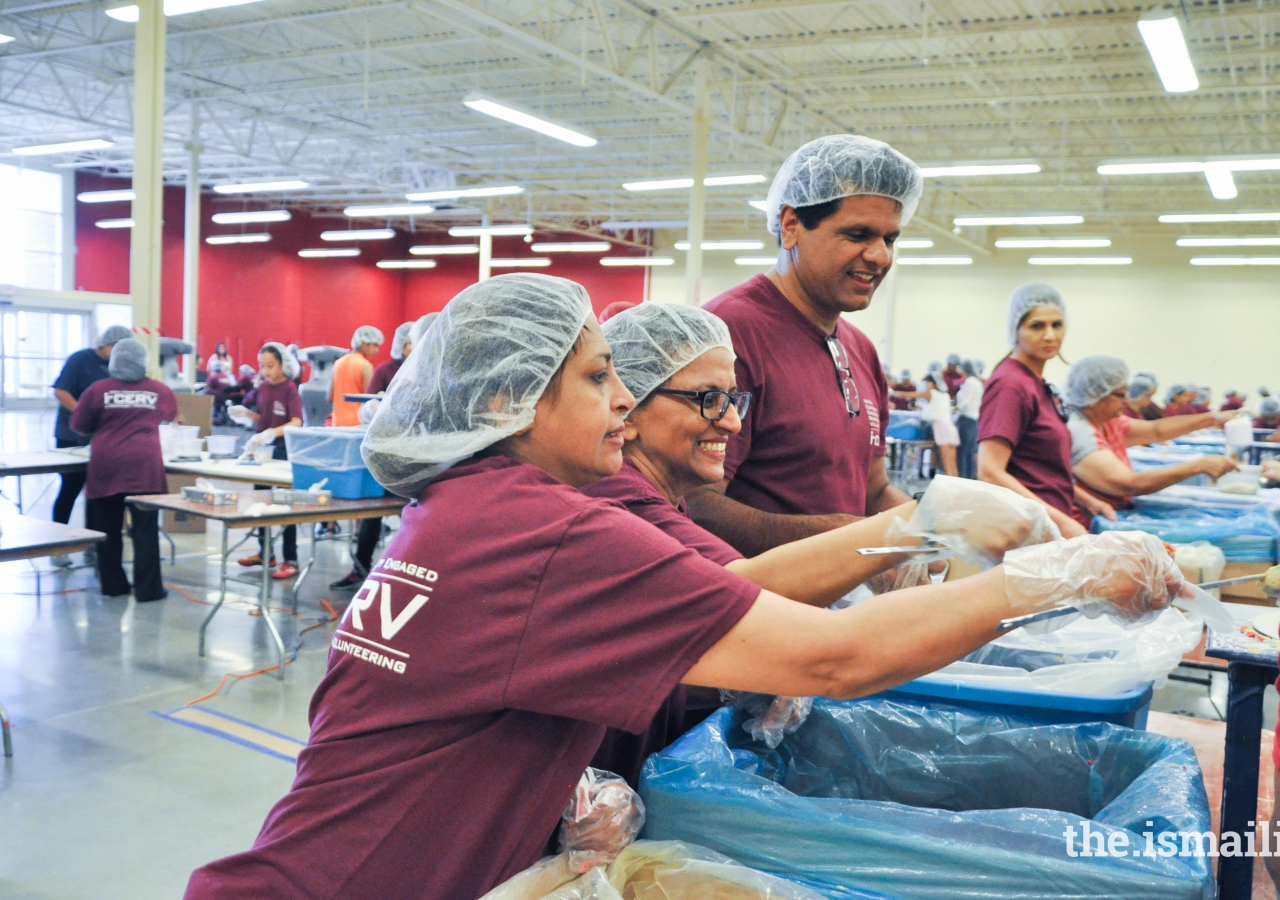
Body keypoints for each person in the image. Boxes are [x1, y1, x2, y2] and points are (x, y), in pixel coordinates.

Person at [184, 273, 1184, 900]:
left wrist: (544, 772)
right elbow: (835, 654)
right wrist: (1052, 575)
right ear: (503, 401)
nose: (618, 398)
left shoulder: (463, 509)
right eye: (591, 379)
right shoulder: (543, 525)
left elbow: (410, 710)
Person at [587, 303, 1057, 783]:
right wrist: (923, 524)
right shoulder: (617, 501)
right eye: (708, 399)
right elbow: (746, 598)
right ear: (629, 407)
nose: (731, 423)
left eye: (734, 400)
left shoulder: (661, 500)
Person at [689, 134, 922, 556]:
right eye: (858, 234)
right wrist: (845, 541)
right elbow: (694, 506)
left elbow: (875, 491)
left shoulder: (861, 350)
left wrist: (945, 532)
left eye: (890, 239)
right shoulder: (728, 335)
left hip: (841, 608)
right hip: (763, 607)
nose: (881, 256)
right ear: (791, 225)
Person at [977, 283, 1109, 539]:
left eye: (1057, 325)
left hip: (1044, 522)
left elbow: (1038, 471)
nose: (1050, 335)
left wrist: (1083, 499)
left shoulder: (1036, 384)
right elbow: (990, 472)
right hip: (1025, 529)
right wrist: (1061, 521)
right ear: (1014, 331)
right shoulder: (1010, 385)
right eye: (1037, 326)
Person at [330, 313, 439, 591]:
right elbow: (368, 403)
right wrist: (376, 410)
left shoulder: (433, 371)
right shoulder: (385, 370)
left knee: (417, 518)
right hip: (391, 449)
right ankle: (362, 567)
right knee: (374, 511)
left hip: (424, 458)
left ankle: (407, 576)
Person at [1063, 355, 1240, 527]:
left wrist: (1212, 419)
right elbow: (1128, 484)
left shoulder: (1108, 420)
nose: (1127, 400)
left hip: (1113, 514)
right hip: (1088, 525)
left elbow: (1155, 431)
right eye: (1121, 394)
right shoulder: (1080, 431)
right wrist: (1198, 466)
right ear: (1095, 396)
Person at [68, 339, 177, 602]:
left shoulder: (98, 390)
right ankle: (149, 589)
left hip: (107, 467)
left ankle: (113, 585)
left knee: (107, 530)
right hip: (145, 468)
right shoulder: (159, 390)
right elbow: (170, 416)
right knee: (145, 531)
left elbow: (79, 425)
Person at [49, 324, 133, 565]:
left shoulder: (119, 367)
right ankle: (58, 547)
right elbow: (61, 391)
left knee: (97, 493)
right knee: (70, 489)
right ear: (105, 345)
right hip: (71, 435)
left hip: (101, 438)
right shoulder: (80, 360)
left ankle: (91, 544)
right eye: (116, 349)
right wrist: (82, 413)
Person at [231, 344, 304, 580]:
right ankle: (266, 552)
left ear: (283, 364)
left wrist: (272, 433)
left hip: (283, 451)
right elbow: (264, 417)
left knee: (284, 503)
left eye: (271, 366)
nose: (266, 371)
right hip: (262, 452)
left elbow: (296, 422)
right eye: (263, 366)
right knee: (260, 502)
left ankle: (291, 558)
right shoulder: (262, 387)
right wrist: (247, 414)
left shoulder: (290, 388)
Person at [891, 372, 959, 477]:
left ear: (932, 383)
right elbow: (936, 409)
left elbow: (907, 395)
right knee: (952, 465)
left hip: (941, 429)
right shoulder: (945, 395)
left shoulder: (930, 393)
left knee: (947, 466)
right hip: (950, 429)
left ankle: (953, 490)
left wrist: (891, 392)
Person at [328, 325, 383, 426]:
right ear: (363, 343)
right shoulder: (365, 366)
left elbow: (330, 397)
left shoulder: (338, 363)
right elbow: (369, 399)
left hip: (337, 424)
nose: (377, 350)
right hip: (357, 424)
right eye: (375, 345)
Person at [955, 359, 984, 479]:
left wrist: (954, 408)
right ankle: (969, 477)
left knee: (963, 451)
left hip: (967, 418)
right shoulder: (977, 382)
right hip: (974, 419)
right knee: (970, 451)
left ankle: (963, 476)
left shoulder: (970, 382)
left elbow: (965, 402)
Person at [368, 321, 413, 395]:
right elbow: (369, 397)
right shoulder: (385, 370)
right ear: (402, 347)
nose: (416, 346)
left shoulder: (424, 369)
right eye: (410, 343)